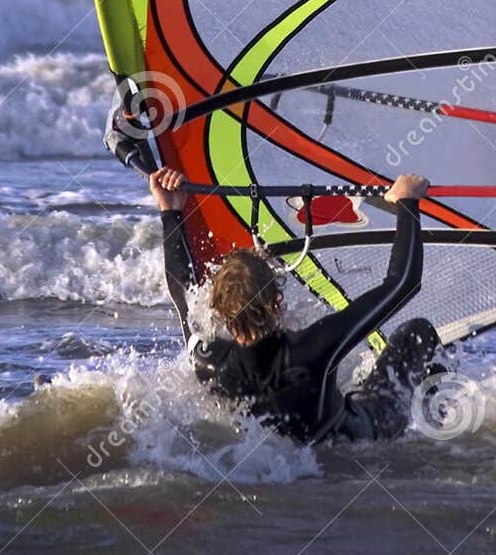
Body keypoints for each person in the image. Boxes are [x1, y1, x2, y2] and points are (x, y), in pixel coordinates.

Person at [149, 167, 443, 444]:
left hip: (294, 457)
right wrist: (407, 201)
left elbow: (181, 291)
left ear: (217, 308)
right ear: (277, 303)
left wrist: (170, 210)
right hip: (360, 437)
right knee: (417, 332)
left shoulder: (208, 361)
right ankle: (443, 418)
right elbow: (402, 283)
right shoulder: (313, 346)